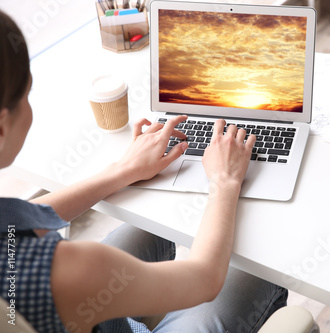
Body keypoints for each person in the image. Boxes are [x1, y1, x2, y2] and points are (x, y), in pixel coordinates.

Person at [0, 10, 287, 333]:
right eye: (28, 94)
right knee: (254, 268)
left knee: (152, 227)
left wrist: (121, 171)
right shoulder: (72, 272)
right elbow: (205, 279)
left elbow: (17, 224)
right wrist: (224, 180)